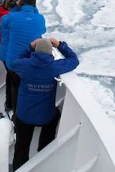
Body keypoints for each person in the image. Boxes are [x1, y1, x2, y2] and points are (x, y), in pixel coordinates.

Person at [9, 37, 79, 170]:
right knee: (55, 114)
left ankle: (19, 167)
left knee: (21, 147)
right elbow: (74, 60)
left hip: (24, 116)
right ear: (50, 52)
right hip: (45, 117)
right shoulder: (54, 67)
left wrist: (30, 46)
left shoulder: (25, 65)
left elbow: (14, 62)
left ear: (35, 51)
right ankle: (43, 150)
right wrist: (60, 45)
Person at [0, 0, 46, 114]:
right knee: (22, 87)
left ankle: (11, 107)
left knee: (12, 81)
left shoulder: (12, 17)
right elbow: (43, 29)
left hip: (13, 61)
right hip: (29, 61)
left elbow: (3, 22)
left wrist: (15, 8)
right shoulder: (40, 18)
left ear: (21, 3)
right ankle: (19, 112)